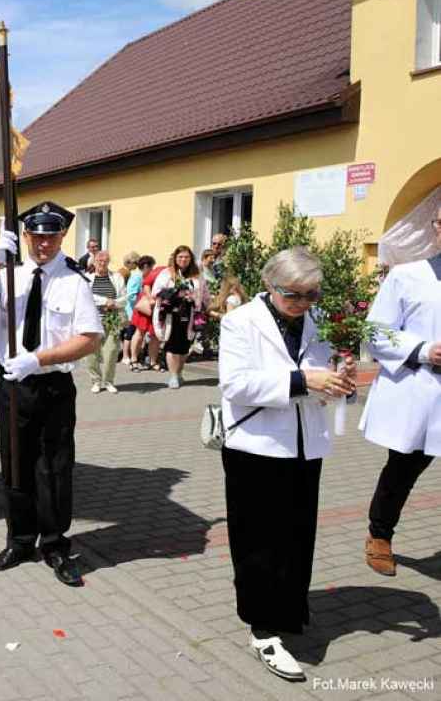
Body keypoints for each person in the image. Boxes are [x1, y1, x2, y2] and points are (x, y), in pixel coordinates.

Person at [218, 247, 355, 682]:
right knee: (257, 540)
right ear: (270, 285)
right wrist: (302, 380)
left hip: (303, 444)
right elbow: (236, 384)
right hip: (255, 447)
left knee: (297, 534)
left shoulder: (314, 321)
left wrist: (340, 380)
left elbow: (321, 379)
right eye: (293, 295)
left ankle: (290, 611)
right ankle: (262, 628)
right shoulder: (239, 321)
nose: (303, 304)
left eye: (311, 294)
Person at [0, 202, 101, 586]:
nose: (43, 243)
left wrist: (39, 359)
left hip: (53, 386)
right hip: (12, 385)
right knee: (16, 464)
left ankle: (56, 545)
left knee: (54, 468)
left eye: (50, 236)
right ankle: (20, 540)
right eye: (36, 236)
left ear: (61, 237)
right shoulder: (9, 275)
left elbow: (89, 340)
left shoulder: (74, 281)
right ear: (24, 237)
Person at [360, 205, 441, 577]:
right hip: (421, 391)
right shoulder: (407, 277)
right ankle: (380, 535)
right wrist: (424, 350)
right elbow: (376, 331)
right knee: (404, 468)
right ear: (435, 228)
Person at [152, 245, 208, 389]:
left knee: (184, 345)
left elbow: (204, 293)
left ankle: (179, 372)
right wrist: (174, 293)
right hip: (171, 314)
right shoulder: (166, 273)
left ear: (191, 259)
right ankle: (173, 375)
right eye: (180, 257)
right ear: (175, 258)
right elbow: (156, 291)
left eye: (186, 257)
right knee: (171, 343)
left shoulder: (197, 275)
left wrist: (205, 305)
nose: (183, 260)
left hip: (189, 314)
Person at [86, 251, 126, 393]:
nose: (102, 263)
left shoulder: (117, 277)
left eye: (105, 261)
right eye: (99, 260)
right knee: (91, 353)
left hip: (112, 319)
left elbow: (124, 298)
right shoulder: (87, 278)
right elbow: (87, 297)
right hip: (92, 321)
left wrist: (114, 303)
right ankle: (96, 381)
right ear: (94, 262)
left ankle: (108, 381)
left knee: (111, 351)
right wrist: (105, 301)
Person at [128, 256, 161, 372]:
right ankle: (133, 360)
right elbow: (132, 295)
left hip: (153, 306)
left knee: (154, 335)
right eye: (152, 266)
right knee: (139, 333)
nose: (153, 268)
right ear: (147, 266)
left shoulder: (154, 275)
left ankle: (153, 361)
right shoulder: (138, 276)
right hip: (143, 306)